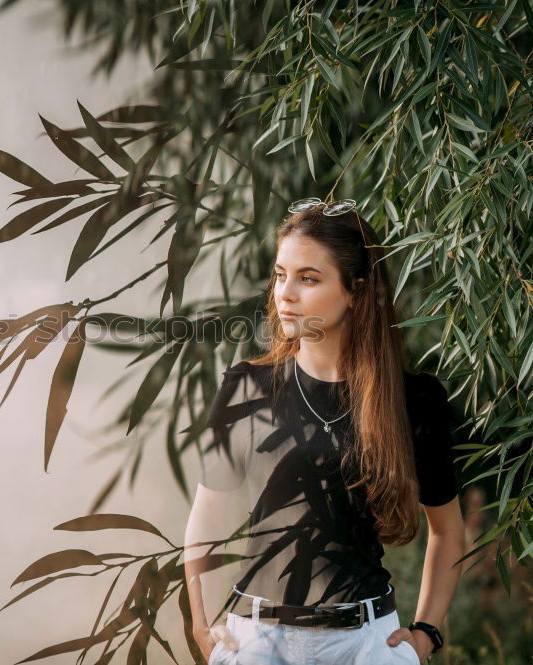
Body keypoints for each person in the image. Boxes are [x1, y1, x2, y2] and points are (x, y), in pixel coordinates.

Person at [182, 198, 466, 664]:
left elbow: (448, 531)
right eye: (280, 274)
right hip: (256, 642)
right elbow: (207, 515)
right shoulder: (246, 387)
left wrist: (425, 634)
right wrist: (200, 618)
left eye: (308, 278)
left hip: (367, 643)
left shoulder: (413, 400)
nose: (284, 293)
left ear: (355, 289)